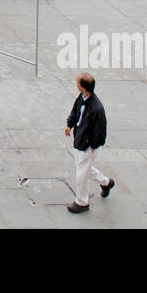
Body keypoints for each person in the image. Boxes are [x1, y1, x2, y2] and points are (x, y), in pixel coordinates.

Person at [64, 72, 113, 213]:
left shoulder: (97, 108)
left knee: (81, 174)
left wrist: (93, 145)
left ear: (83, 87)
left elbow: (100, 130)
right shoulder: (81, 97)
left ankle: (82, 202)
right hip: (80, 139)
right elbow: (75, 112)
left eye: (78, 82)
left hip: (87, 144)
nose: (76, 84)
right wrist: (69, 125)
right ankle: (106, 183)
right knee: (85, 169)